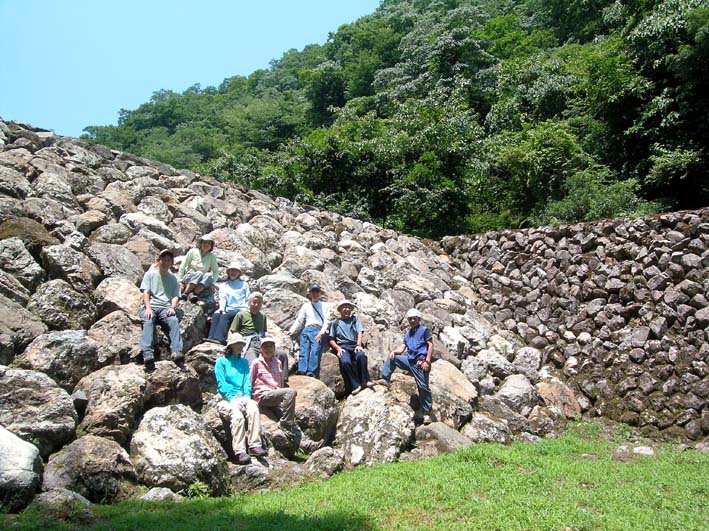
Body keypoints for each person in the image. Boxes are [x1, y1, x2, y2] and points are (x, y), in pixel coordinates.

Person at [250, 336, 322, 453]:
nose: (268, 349)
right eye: (266, 347)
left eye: (271, 347)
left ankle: (306, 444)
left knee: (292, 421)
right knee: (290, 392)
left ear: (274, 349)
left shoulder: (277, 362)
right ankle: (285, 423)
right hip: (263, 395)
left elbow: (278, 382)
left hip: (275, 396)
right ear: (261, 349)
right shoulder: (256, 363)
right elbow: (250, 381)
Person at [215, 332, 267, 465]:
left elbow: (247, 382)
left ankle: (255, 445)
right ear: (230, 346)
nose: (240, 347)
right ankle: (240, 451)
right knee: (237, 416)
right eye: (238, 344)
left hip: (242, 397)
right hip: (226, 399)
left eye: (242, 344)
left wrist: (246, 396)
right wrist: (232, 397)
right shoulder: (221, 362)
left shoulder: (244, 362)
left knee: (253, 408)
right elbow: (222, 384)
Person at [377, 308, 434, 425]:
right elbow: (403, 347)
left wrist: (427, 361)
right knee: (393, 358)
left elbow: (430, 345)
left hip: (421, 363)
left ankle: (427, 413)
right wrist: (394, 352)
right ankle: (385, 379)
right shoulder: (408, 334)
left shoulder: (424, 330)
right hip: (410, 361)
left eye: (414, 318)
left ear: (419, 319)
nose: (412, 320)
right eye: (410, 319)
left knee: (423, 387)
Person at [138, 249, 184, 372]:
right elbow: (146, 292)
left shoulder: (173, 279)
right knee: (148, 321)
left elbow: (176, 295)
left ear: (171, 263)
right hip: (151, 306)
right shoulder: (150, 274)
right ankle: (148, 353)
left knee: (173, 320)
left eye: (169, 260)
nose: (166, 262)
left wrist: (172, 307)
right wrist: (148, 308)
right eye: (163, 260)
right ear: (158, 261)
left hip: (165, 307)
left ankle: (176, 351)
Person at [329, 300, 374, 395]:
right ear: (340, 310)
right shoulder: (335, 323)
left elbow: (359, 332)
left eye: (348, 307)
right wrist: (338, 349)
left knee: (361, 356)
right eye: (344, 307)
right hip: (343, 346)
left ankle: (365, 381)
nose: (347, 309)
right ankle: (355, 385)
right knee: (345, 362)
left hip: (354, 345)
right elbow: (331, 339)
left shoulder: (354, 320)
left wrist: (358, 345)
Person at [288, 283, 329, 378]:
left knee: (315, 351)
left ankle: (311, 371)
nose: (315, 294)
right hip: (306, 329)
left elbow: (327, 321)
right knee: (304, 350)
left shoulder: (325, 306)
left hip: (317, 329)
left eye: (316, 291)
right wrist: (292, 330)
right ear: (309, 293)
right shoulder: (305, 306)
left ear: (319, 293)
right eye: (312, 292)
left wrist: (321, 333)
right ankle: (302, 369)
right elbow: (300, 320)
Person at [206, 261, 250, 345]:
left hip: (240, 309)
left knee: (225, 316)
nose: (233, 273)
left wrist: (247, 309)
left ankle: (220, 338)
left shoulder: (244, 284)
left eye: (235, 271)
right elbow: (223, 298)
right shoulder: (224, 285)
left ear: (239, 273)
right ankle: (210, 337)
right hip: (228, 308)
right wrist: (222, 308)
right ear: (228, 272)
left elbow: (247, 298)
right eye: (231, 270)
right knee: (217, 315)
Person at [177, 234, 218, 304]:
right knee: (199, 273)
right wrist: (180, 280)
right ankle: (185, 293)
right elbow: (183, 265)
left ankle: (193, 293)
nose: (206, 245)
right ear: (201, 243)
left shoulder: (212, 256)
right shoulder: (193, 251)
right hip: (189, 277)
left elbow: (215, 271)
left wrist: (213, 283)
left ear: (211, 246)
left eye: (209, 243)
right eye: (205, 242)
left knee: (208, 275)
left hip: (200, 281)